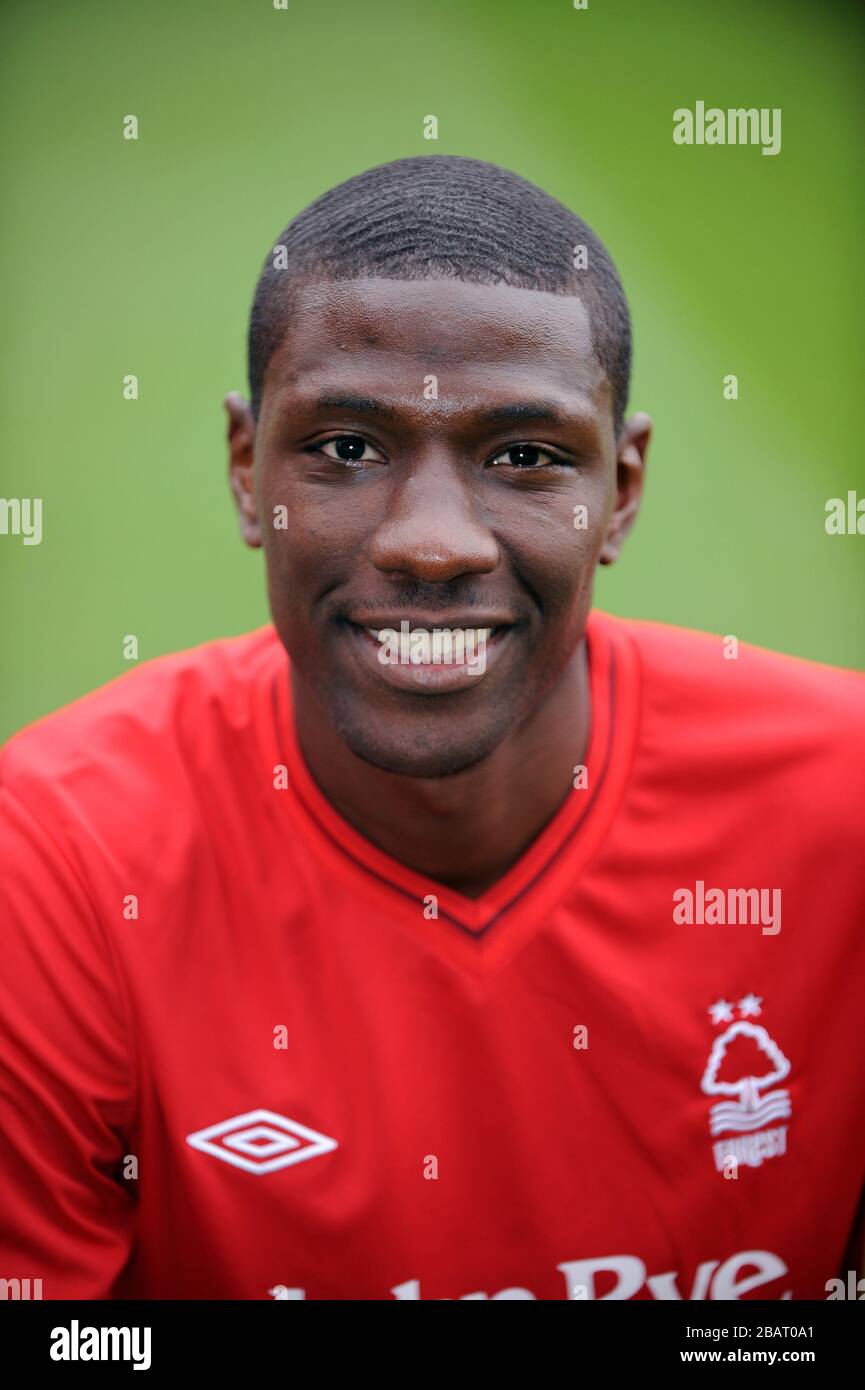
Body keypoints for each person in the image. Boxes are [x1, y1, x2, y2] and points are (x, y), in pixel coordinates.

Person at [1, 156, 863, 1301]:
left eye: (525, 456)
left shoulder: (841, 809)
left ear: (624, 486)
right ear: (247, 469)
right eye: (347, 448)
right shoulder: (54, 865)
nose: (434, 542)